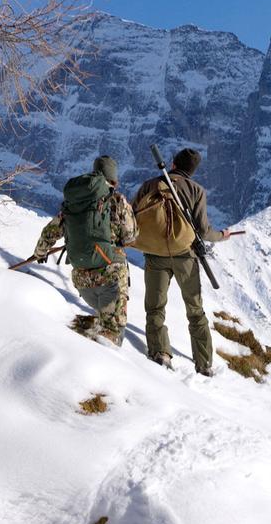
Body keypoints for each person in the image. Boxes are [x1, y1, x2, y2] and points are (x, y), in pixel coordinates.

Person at [132, 148, 230, 375]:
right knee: (195, 309)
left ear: (173, 163)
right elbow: (204, 231)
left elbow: (134, 214)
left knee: (155, 307)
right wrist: (221, 236)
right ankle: (204, 364)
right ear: (192, 171)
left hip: (155, 254)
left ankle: (160, 353)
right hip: (185, 256)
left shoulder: (150, 185)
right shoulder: (197, 190)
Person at [33, 155, 138, 347]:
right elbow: (130, 236)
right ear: (114, 179)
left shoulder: (76, 200)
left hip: (81, 280)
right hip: (110, 278)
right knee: (113, 333)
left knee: (101, 322)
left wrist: (41, 252)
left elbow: (51, 230)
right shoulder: (117, 200)